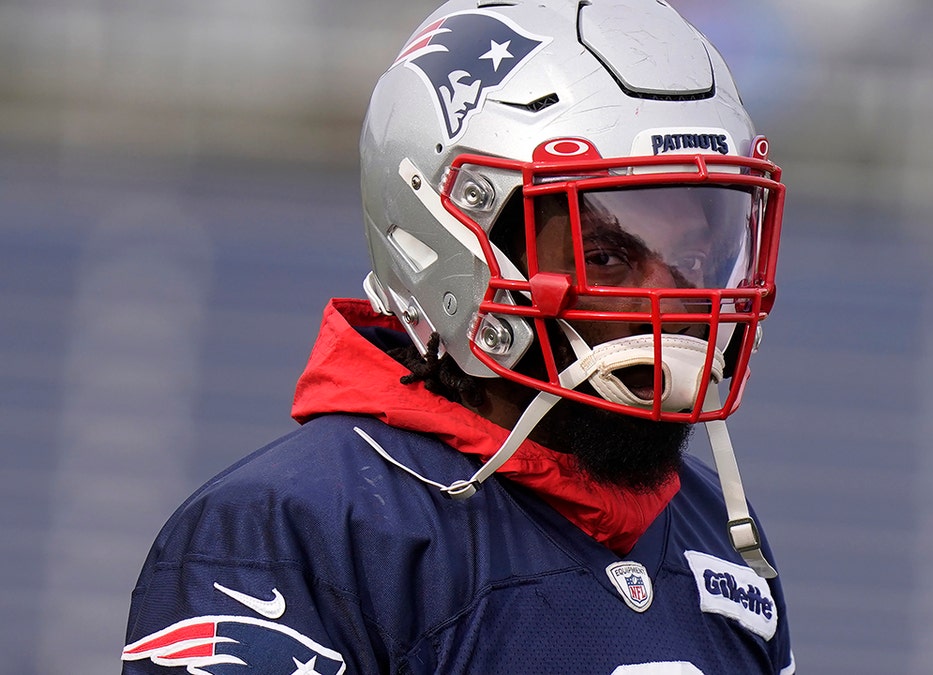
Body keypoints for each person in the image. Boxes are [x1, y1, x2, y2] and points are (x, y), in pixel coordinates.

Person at [121, 0, 792, 672]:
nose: (676, 301)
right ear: (447, 239)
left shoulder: (720, 532)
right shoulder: (291, 532)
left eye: (698, 255)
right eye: (609, 256)